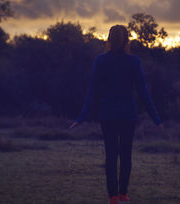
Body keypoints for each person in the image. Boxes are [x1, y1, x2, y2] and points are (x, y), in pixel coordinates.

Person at [69, 25, 164, 204]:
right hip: (127, 114)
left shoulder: (101, 60)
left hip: (108, 115)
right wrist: (156, 119)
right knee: (125, 155)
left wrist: (81, 117)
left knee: (111, 155)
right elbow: (143, 93)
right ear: (127, 40)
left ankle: (113, 196)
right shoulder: (133, 61)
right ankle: (122, 194)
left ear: (109, 40)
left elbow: (92, 91)